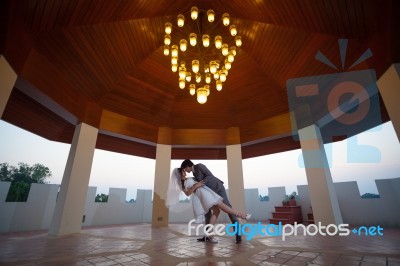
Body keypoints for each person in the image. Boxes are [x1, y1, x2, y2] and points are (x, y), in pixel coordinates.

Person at [167, 168, 249, 243]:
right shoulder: (181, 184)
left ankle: (209, 235)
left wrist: (198, 184)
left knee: (217, 211)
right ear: (180, 173)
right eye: (183, 171)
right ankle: (241, 215)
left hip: (206, 192)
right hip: (203, 195)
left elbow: (202, 180)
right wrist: (196, 186)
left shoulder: (190, 178)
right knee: (221, 205)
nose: (185, 171)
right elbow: (188, 193)